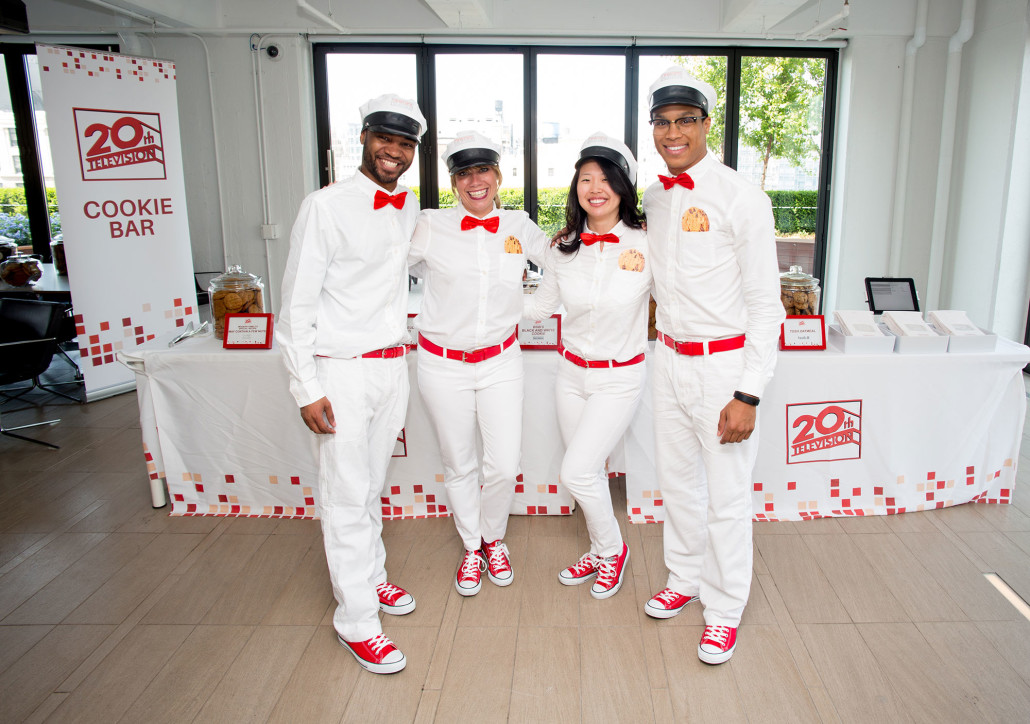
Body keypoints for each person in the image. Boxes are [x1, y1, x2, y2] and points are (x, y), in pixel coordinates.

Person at [276, 93, 427, 675]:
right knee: (344, 493)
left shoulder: (407, 208)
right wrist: (305, 387)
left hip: (392, 366)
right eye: (384, 138)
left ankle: (373, 579)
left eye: (405, 142)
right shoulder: (326, 206)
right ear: (363, 137)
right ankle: (356, 621)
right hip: (339, 370)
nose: (394, 150)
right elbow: (296, 303)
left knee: (369, 488)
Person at [642, 67, 785, 665]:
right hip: (668, 361)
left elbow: (764, 304)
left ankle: (724, 609)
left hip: (723, 369)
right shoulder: (653, 195)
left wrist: (748, 394)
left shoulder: (741, 197)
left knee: (726, 497)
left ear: (706, 125)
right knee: (677, 484)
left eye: (685, 121)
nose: (673, 133)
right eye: (662, 122)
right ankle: (684, 578)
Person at [408, 131, 548, 597]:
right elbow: (383, 268)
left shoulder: (519, 225)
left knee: (503, 464)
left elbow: (565, 264)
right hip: (441, 363)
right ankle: (473, 546)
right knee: (459, 462)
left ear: (498, 175)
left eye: (482, 170)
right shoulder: (429, 224)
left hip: (501, 360)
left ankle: (494, 538)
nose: (475, 181)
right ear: (452, 182)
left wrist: (531, 312)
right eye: (464, 173)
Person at [524, 132, 649, 600]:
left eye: (605, 179)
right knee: (588, 471)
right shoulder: (563, 248)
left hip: (620, 376)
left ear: (622, 187)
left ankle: (614, 552)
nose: (594, 188)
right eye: (585, 179)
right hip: (571, 374)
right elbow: (540, 308)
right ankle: (600, 548)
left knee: (575, 472)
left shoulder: (647, 244)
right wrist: (487, 296)